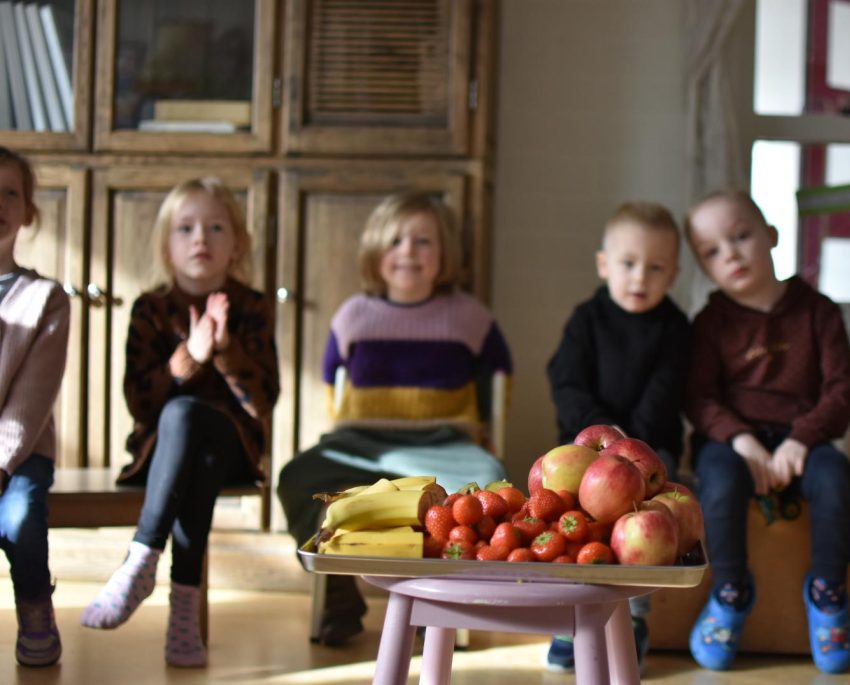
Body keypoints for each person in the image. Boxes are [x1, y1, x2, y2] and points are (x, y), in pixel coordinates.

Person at [277, 191, 513, 646]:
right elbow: (333, 385)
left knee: (490, 481)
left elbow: (500, 381)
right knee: (296, 477)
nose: (408, 251)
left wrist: (487, 435)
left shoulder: (469, 317)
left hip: (445, 443)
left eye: (423, 241)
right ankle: (338, 595)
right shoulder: (353, 316)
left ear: (443, 254)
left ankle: (436, 598)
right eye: (396, 241)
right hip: (359, 443)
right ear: (375, 254)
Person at [79, 177, 280, 668]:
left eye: (216, 228)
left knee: (199, 424)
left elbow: (262, 403)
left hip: (235, 449)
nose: (201, 239)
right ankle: (183, 616)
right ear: (166, 247)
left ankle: (142, 559)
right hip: (162, 455)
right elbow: (138, 402)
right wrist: (189, 355)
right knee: (185, 425)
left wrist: (224, 350)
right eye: (186, 228)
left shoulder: (250, 307)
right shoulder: (150, 309)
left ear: (237, 246)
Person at [683, 189, 850, 674]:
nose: (732, 254)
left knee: (838, 480)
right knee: (716, 486)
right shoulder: (710, 323)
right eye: (713, 251)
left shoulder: (818, 312)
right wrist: (741, 439)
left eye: (741, 236)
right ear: (703, 267)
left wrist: (801, 439)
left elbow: (843, 389)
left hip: (805, 440)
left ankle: (828, 595)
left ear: (773, 235)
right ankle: (731, 592)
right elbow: (699, 398)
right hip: (731, 443)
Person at [545, 201, 692, 673]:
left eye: (655, 267)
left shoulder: (675, 328)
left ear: (673, 274)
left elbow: (665, 393)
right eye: (628, 264)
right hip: (584, 450)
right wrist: (602, 436)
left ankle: (634, 620)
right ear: (604, 264)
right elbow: (565, 381)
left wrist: (630, 446)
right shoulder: (586, 320)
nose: (639, 277)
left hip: (650, 450)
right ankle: (568, 620)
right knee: (568, 523)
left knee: (645, 531)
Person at [0, 147, 71, 668]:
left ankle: (34, 604)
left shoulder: (45, 298)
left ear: (28, 211)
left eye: (10, 193)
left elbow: (31, 401)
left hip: (18, 454)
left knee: (21, 517)